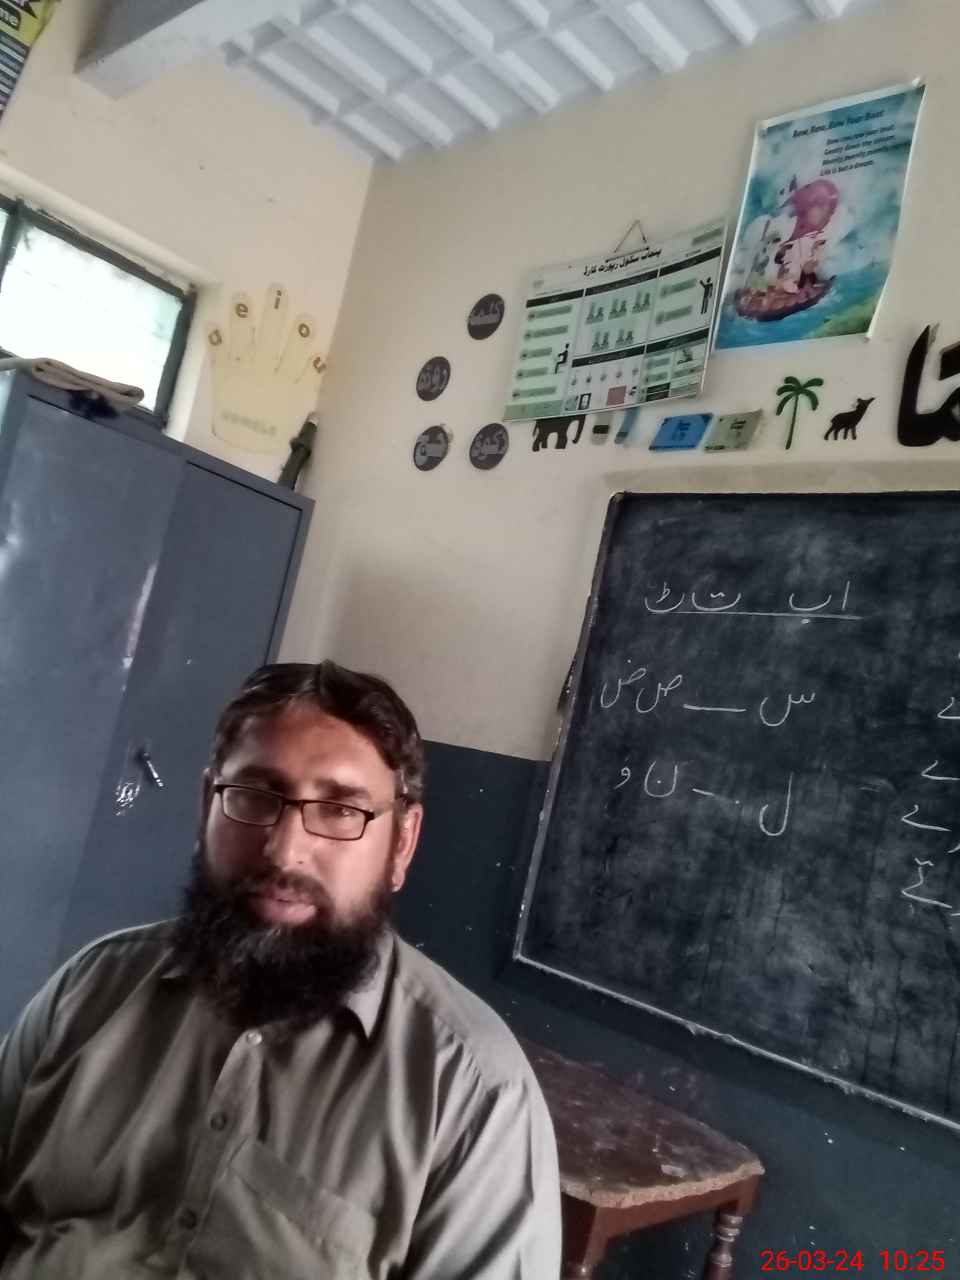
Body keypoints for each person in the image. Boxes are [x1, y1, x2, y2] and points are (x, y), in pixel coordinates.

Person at [0, 662, 561, 1278]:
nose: (284, 850)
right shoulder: (88, 992)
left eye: (340, 810)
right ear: (206, 806)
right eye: (254, 796)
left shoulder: (475, 1095)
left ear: (401, 842)